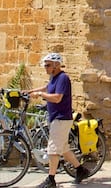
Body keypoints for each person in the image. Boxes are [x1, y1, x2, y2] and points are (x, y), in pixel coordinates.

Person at [28, 52, 88, 187]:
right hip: (56, 118)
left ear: (56, 65)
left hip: (61, 118)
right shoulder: (53, 78)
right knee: (63, 148)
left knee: (53, 149)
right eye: (45, 65)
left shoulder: (63, 78)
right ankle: (80, 170)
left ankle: (51, 179)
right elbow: (46, 87)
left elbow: (57, 98)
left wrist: (40, 94)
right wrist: (30, 91)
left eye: (48, 65)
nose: (46, 68)